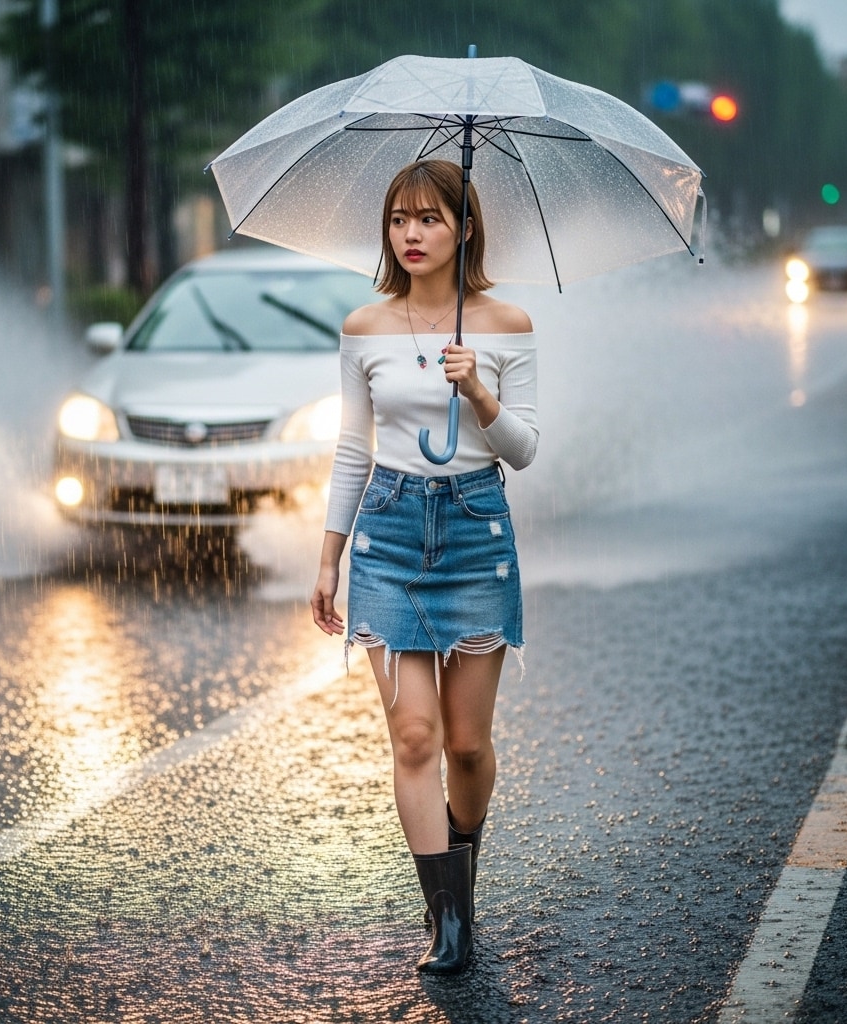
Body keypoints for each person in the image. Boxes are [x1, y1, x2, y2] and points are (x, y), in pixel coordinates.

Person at [310, 159, 539, 974]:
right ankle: (447, 923)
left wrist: (479, 392)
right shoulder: (365, 328)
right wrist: (329, 556)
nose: (412, 234)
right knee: (415, 734)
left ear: (465, 228)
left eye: (430, 219)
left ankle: (460, 856)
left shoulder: (505, 324)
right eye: (400, 219)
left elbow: (526, 449)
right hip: (388, 533)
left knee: (467, 746)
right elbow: (350, 447)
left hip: (477, 531)